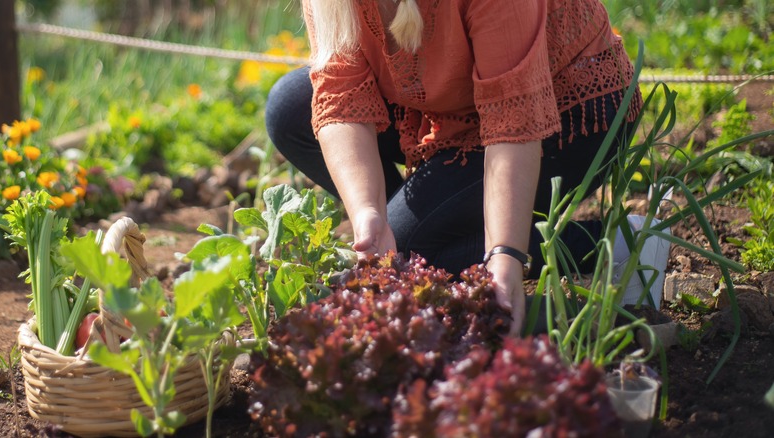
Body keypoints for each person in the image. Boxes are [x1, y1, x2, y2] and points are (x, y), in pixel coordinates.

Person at [265, 0, 664, 335]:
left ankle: (615, 245)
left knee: (411, 255)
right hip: (448, 106)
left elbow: (514, 123)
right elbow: (341, 91)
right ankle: (419, 234)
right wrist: (369, 212)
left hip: (565, 110)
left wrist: (505, 255)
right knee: (290, 108)